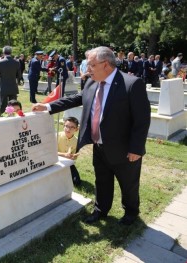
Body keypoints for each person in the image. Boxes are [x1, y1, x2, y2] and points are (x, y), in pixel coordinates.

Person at [32, 46, 151, 226]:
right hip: (99, 146)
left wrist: (136, 148)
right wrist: (48, 107)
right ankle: (101, 210)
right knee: (102, 181)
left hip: (124, 149)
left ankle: (131, 212)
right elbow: (75, 99)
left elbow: (142, 120)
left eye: (91, 65)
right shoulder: (91, 82)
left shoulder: (131, 84)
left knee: (128, 184)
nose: (87, 70)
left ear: (105, 64)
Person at [0, 46, 21, 116]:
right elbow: (19, 76)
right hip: (13, 86)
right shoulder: (16, 62)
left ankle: (2, 119)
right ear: (11, 52)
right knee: (14, 105)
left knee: (3, 105)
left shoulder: (0, 62)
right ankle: (13, 118)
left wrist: (3, 76)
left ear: (3, 53)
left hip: (4, 87)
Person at [57, 117, 81, 186]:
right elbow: (51, 153)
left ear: (76, 129)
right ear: (63, 126)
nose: (68, 129)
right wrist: (64, 155)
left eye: (72, 127)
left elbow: (74, 157)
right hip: (55, 162)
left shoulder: (77, 141)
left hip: (68, 163)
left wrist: (72, 157)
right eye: (66, 126)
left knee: (77, 182)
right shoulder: (56, 136)